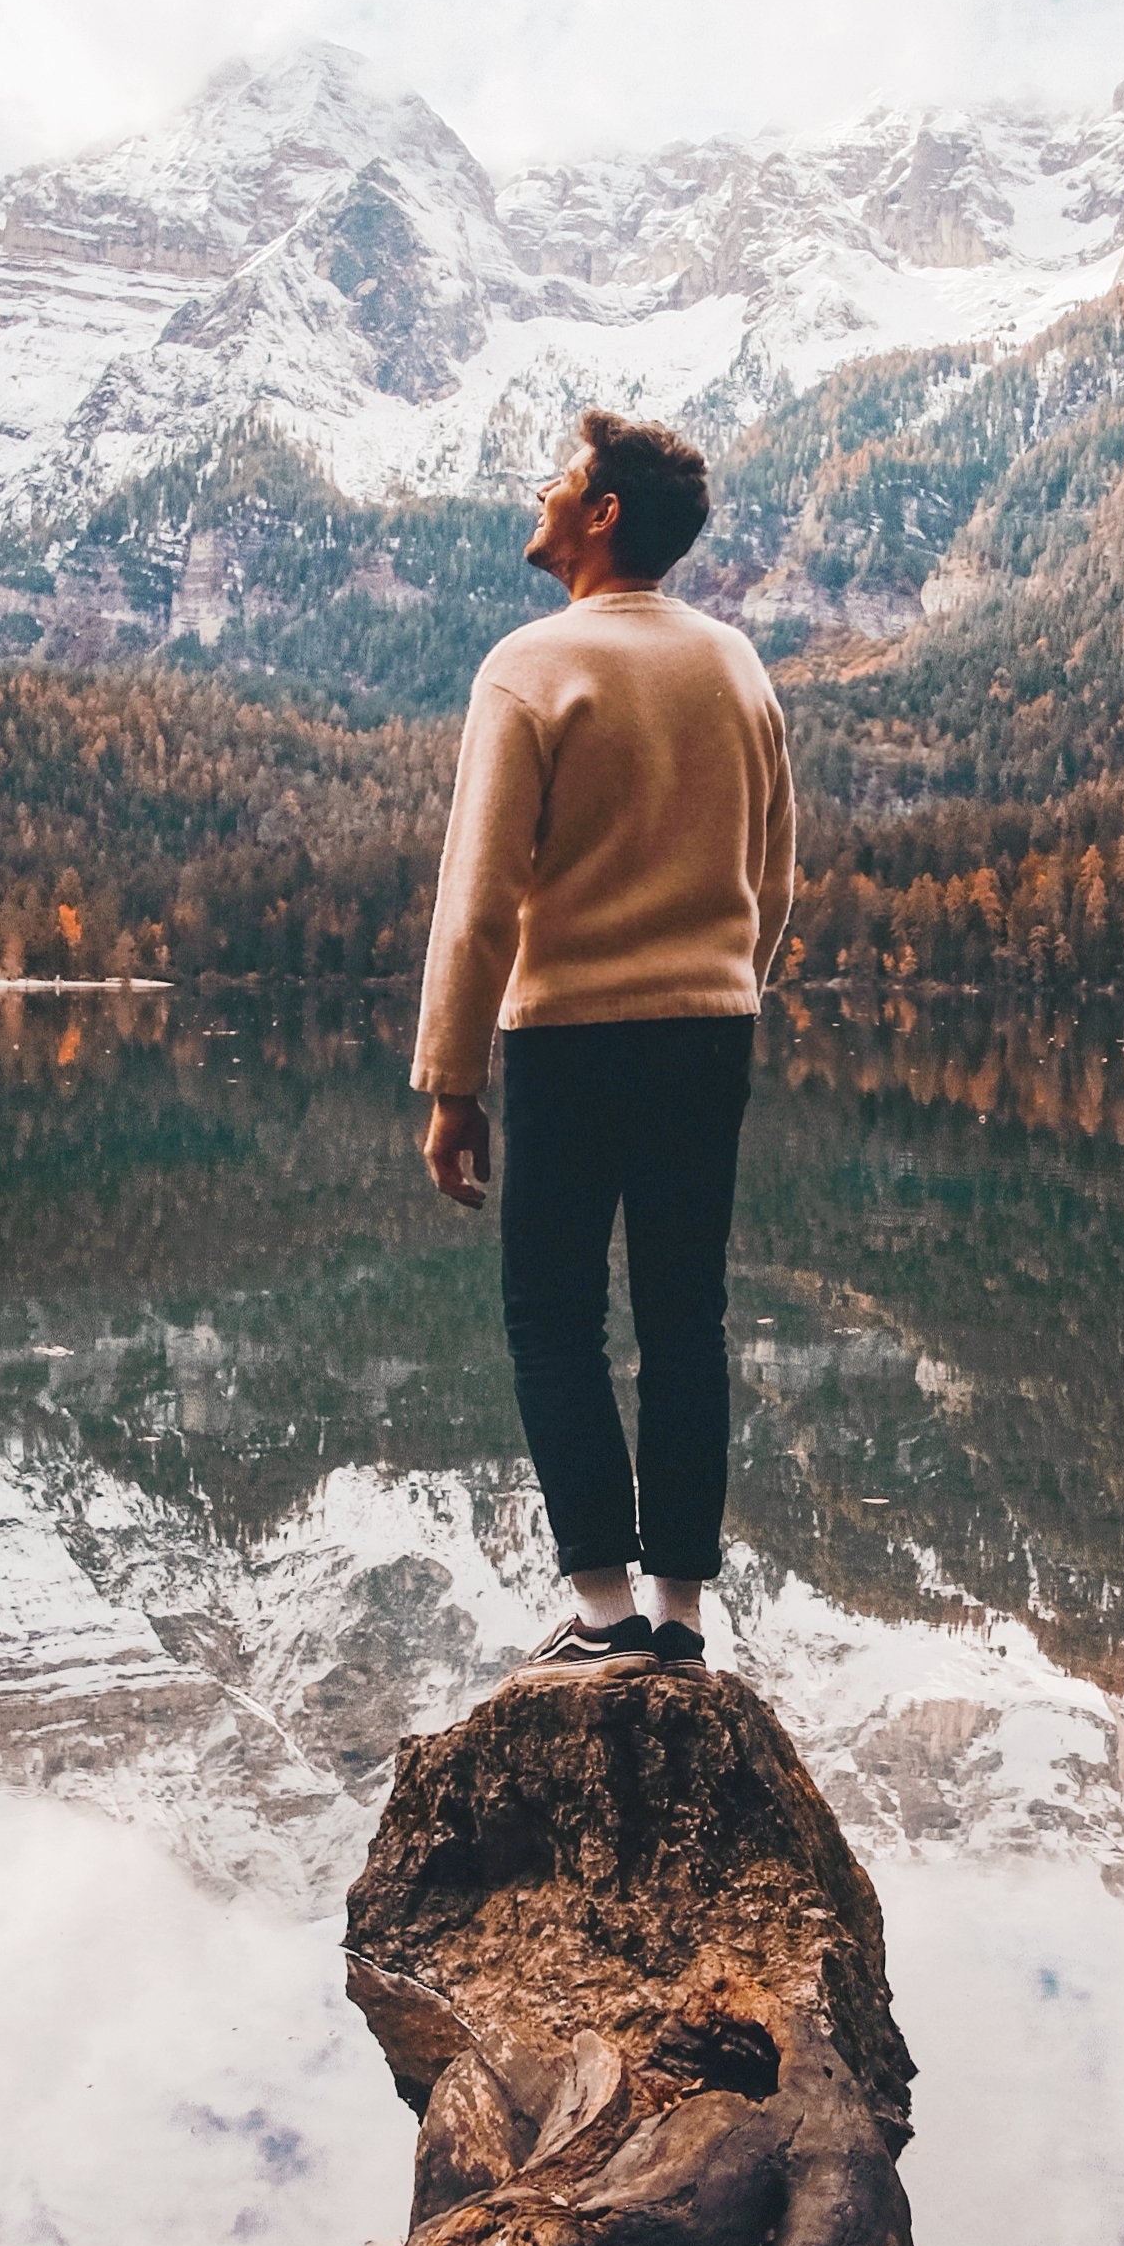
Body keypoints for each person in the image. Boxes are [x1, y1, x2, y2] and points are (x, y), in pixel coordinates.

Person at [411, 405, 796, 1670]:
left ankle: (603, 1615)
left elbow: (478, 902)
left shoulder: (530, 666)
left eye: (563, 479)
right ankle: (682, 1623)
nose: (545, 491)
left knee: (555, 1317)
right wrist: (727, 982)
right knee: (688, 1316)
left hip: (571, 1038)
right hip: (708, 1033)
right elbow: (775, 877)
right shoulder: (737, 667)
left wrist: (451, 1082)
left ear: (604, 513)